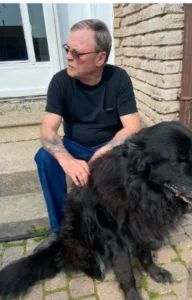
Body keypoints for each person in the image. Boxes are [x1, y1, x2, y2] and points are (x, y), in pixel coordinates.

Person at [34, 19, 141, 252]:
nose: (69, 57)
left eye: (77, 53)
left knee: (134, 158)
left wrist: (103, 154)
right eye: (68, 50)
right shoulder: (60, 82)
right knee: (45, 158)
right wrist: (67, 160)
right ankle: (59, 231)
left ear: (100, 58)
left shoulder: (118, 79)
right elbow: (47, 131)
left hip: (109, 148)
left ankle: (123, 229)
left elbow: (132, 127)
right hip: (75, 146)